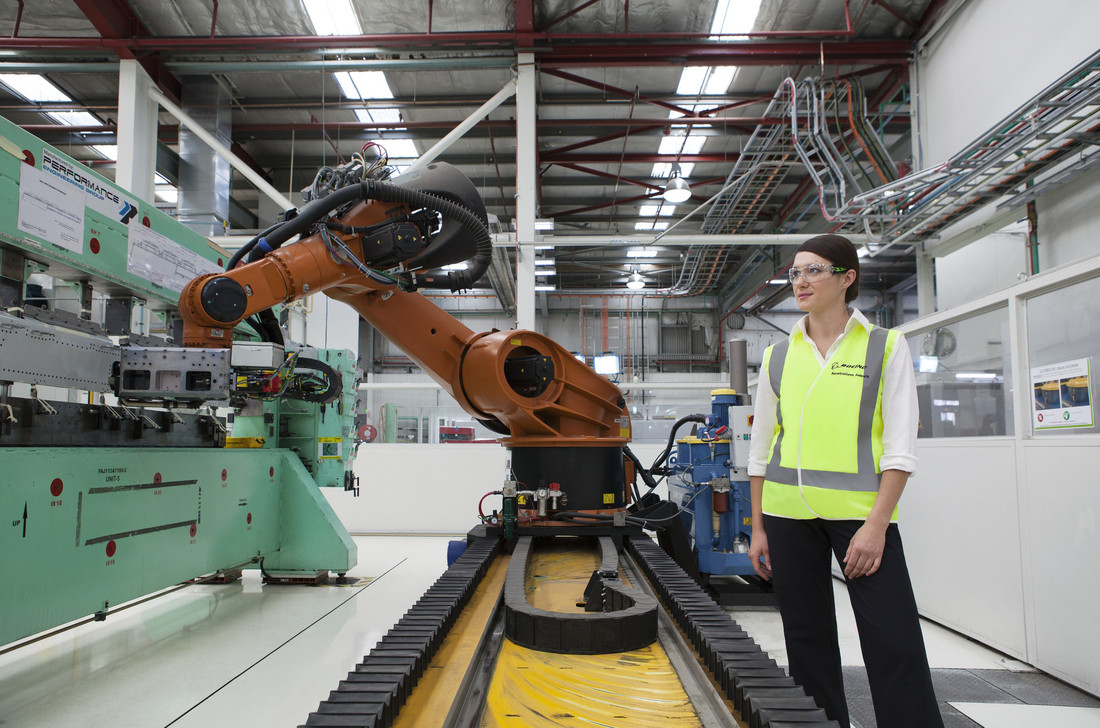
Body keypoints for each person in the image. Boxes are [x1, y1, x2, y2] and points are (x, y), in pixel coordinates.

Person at [747, 234, 944, 728]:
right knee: (806, 640)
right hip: (786, 515)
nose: (801, 281)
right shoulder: (777, 356)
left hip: (862, 518)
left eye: (814, 270)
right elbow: (760, 450)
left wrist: (877, 525)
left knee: (893, 638)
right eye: (795, 273)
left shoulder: (885, 346)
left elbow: (900, 448)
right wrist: (758, 528)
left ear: (846, 278)